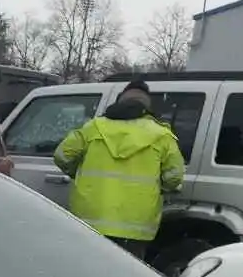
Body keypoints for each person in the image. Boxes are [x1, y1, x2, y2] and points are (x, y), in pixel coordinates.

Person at [54, 79, 184, 258]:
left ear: (120, 101)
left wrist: (77, 173)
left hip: (90, 220)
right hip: (136, 227)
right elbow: (174, 176)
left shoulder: (95, 127)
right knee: (126, 276)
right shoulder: (161, 135)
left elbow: (62, 156)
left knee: (86, 271)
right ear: (146, 106)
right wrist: (162, 188)